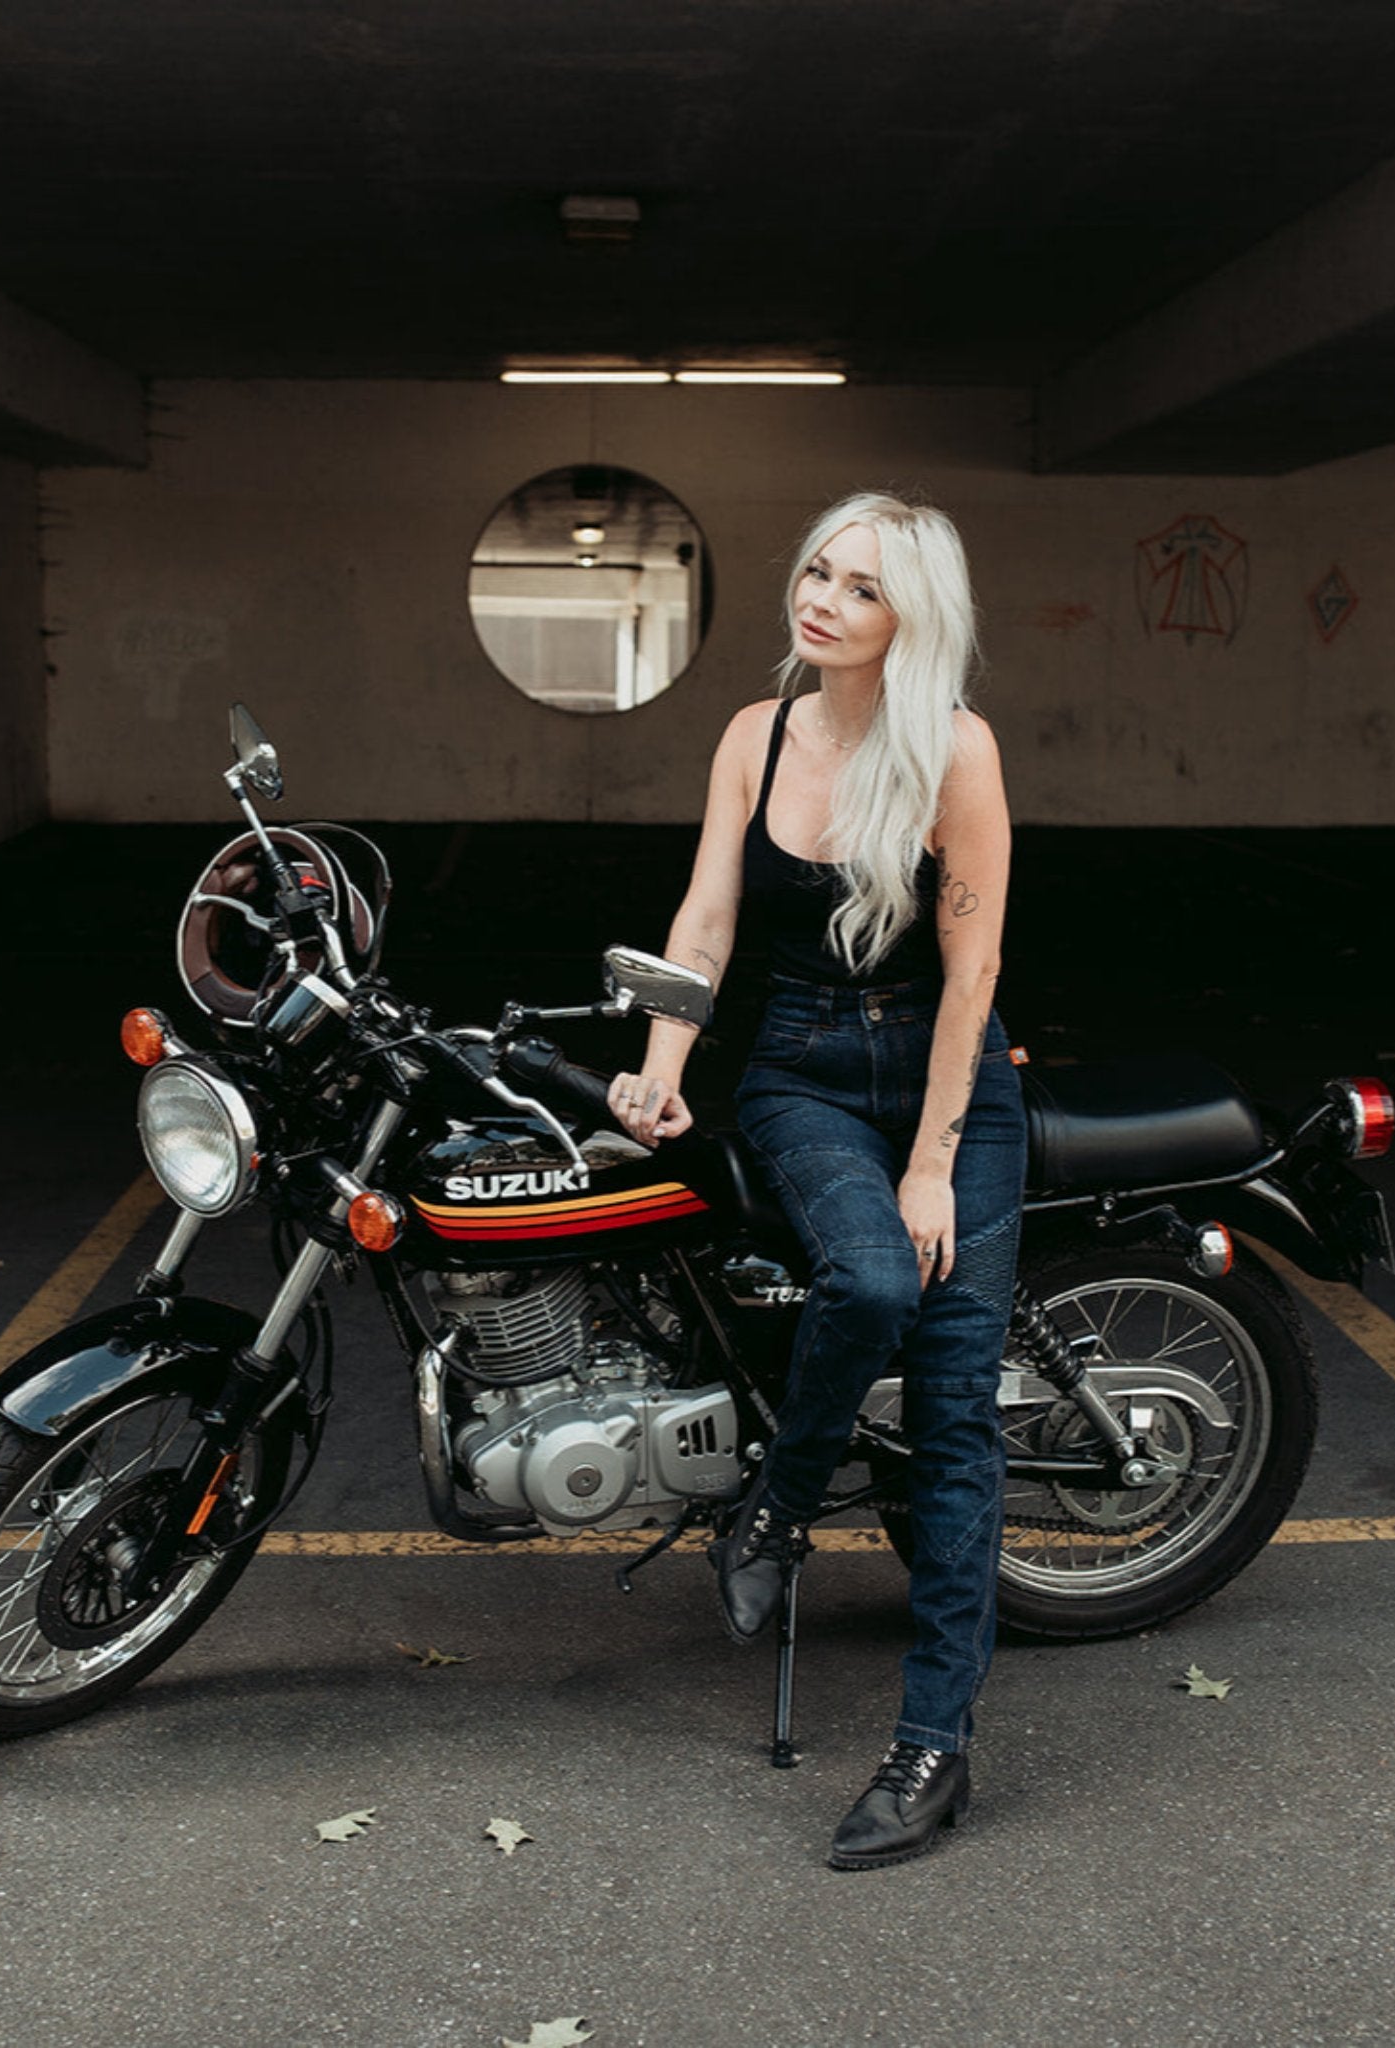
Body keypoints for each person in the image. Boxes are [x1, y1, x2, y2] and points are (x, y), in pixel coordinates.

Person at [607, 491, 1026, 1872]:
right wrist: (666, 1062)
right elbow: (709, 918)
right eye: (816, 574)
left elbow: (972, 976)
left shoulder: (957, 753)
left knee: (959, 1422)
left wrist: (934, 1165)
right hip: (798, 1072)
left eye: (858, 588)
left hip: (950, 1089)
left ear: (910, 620)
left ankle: (931, 1752)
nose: (821, 600)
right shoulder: (755, 733)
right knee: (863, 1272)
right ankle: (781, 1508)